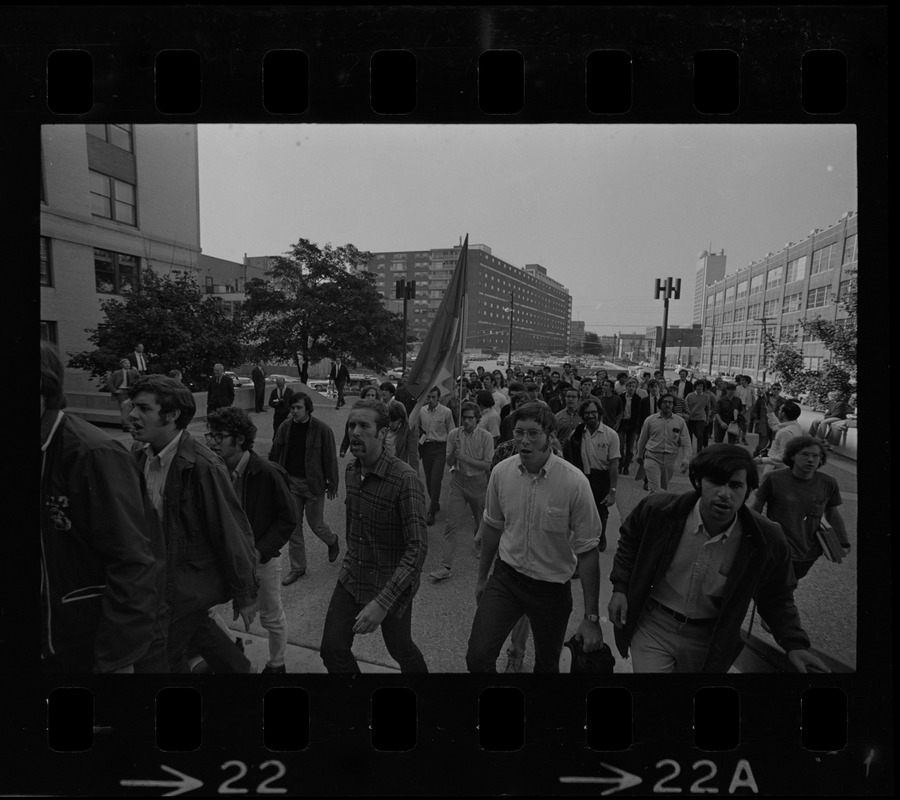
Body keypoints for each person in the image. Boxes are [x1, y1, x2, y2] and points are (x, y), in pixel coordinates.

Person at [608, 444, 829, 673]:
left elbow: (777, 595)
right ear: (698, 482)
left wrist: (793, 643)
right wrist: (620, 587)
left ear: (748, 490)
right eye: (714, 481)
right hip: (653, 628)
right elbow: (630, 540)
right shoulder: (659, 511)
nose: (724, 493)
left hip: (709, 639)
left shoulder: (766, 539)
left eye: (735, 485)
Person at [40, 342, 167, 673]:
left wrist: (118, 660)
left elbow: (134, 563)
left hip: (83, 645)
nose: (134, 416)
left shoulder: (95, 454)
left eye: (143, 409)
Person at [128, 374, 258, 673]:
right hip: (152, 584)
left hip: (181, 590)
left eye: (144, 408)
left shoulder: (203, 467)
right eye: (133, 406)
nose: (132, 415)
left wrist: (246, 593)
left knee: (155, 663)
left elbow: (233, 533)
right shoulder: (137, 454)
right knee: (200, 635)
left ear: (172, 415)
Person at [465, 402, 605, 673]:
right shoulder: (501, 473)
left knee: (547, 665)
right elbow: (492, 527)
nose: (524, 441)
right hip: (507, 579)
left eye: (533, 434)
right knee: (478, 658)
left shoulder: (574, 483)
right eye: (518, 433)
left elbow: (588, 550)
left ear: (551, 436)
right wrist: (482, 579)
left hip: (551, 588)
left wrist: (591, 617)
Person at [320, 400, 429, 672]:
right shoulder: (351, 471)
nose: (354, 432)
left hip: (390, 583)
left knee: (400, 649)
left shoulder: (405, 479)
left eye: (363, 426)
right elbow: (353, 533)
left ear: (382, 433)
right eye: (351, 425)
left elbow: (417, 549)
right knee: (332, 650)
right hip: (352, 575)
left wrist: (383, 602)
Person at [206, 407, 296, 673]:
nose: (212, 442)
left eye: (219, 436)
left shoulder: (267, 472)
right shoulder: (213, 469)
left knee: (271, 617)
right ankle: (231, 645)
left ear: (240, 440)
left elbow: (287, 519)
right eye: (211, 435)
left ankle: (277, 665)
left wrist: (259, 552)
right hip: (225, 559)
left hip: (261, 560)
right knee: (203, 607)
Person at [749, 435, 850, 582]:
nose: (811, 460)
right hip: (777, 549)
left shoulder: (828, 483)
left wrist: (843, 542)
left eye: (816, 456)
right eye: (805, 454)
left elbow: (833, 513)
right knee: (775, 591)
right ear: (792, 456)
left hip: (808, 553)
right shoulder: (773, 479)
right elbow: (755, 509)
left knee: (789, 585)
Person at [269, 392, 341, 586]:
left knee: (316, 525)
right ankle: (298, 568)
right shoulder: (285, 427)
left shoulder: (321, 429)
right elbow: (275, 452)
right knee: (293, 527)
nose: (295, 411)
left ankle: (332, 541)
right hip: (291, 483)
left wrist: (333, 482)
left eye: (299, 407)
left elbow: (329, 458)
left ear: (307, 408)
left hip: (314, 485)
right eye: (292, 408)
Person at [429, 402, 494, 582]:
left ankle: (480, 544)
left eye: (471, 418)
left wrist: (465, 457)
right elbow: (450, 462)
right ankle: (445, 566)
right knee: (451, 525)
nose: (466, 421)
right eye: (464, 417)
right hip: (458, 481)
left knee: (481, 522)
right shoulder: (453, 434)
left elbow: (488, 465)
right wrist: (454, 453)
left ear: (477, 418)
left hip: (478, 482)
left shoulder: (486, 437)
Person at [563, 398, 620, 553]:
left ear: (599, 413)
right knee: (581, 511)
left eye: (594, 412)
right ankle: (584, 541)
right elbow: (569, 455)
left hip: (602, 477)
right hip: (583, 476)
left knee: (601, 510)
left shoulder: (611, 435)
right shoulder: (577, 433)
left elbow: (614, 464)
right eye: (587, 413)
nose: (590, 416)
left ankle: (601, 536)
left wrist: (612, 491)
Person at [636, 393, 692, 493]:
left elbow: (686, 441)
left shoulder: (680, 421)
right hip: (652, 456)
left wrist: (686, 459)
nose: (667, 404)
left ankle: (654, 506)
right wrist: (639, 455)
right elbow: (642, 439)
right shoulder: (650, 420)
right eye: (665, 402)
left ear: (673, 405)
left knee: (663, 489)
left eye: (670, 402)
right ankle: (651, 507)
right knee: (655, 489)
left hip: (670, 459)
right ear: (660, 404)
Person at [418, 386, 454, 526]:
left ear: (439, 398)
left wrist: (451, 451)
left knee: (436, 478)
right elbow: (418, 427)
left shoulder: (446, 412)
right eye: (429, 397)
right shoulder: (422, 411)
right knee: (428, 477)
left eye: (434, 397)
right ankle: (434, 500)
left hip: (440, 447)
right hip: (426, 447)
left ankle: (431, 510)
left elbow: (451, 431)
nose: (431, 400)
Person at [755, 401, 803, 473]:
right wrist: (770, 412)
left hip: (777, 468)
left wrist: (762, 460)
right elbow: (776, 426)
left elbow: (783, 456)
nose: (778, 411)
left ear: (783, 413)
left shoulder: (785, 432)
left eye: (780, 409)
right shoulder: (795, 426)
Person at [340, 386, 379, 457]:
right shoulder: (357, 412)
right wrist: (343, 449)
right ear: (364, 396)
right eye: (368, 395)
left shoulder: (379, 413)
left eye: (373, 395)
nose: (370, 397)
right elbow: (348, 432)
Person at [618, 377, 643, 474]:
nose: (631, 388)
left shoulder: (638, 399)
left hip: (632, 425)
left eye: (633, 386)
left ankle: (626, 466)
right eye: (629, 386)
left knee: (630, 448)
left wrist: (638, 428)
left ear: (636, 387)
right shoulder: (621, 397)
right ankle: (620, 464)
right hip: (622, 423)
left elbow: (639, 415)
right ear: (626, 387)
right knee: (620, 446)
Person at [388, 400, 420, 470]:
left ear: (400, 419)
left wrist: (414, 476)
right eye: (389, 420)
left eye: (393, 421)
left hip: (398, 468)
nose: (390, 424)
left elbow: (413, 455)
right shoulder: (383, 428)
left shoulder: (408, 430)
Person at [109, 357, 140, 431]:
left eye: (128, 363)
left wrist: (136, 371)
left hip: (130, 391)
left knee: (131, 408)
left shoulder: (132, 372)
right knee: (123, 408)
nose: (127, 364)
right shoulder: (117, 373)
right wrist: (115, 390)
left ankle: (132, 425)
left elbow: (140, 379)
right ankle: (125, 426)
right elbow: (110, 382)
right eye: (125, 363)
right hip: (121, 391)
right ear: (122, 364)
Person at [684, 378, 714, 453]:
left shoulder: (706, 397)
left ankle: (699, 451)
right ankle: (689, 449)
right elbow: (685, 405)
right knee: (689, 435)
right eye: (698, 386)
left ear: (703, 387)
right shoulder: (690, 396)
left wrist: (707, 419)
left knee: (700, 434)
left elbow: (707, 408)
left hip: (700, 418)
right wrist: (686, 414)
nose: (699, 387)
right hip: (690, 418)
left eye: (701, 386)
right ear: (695, 387)